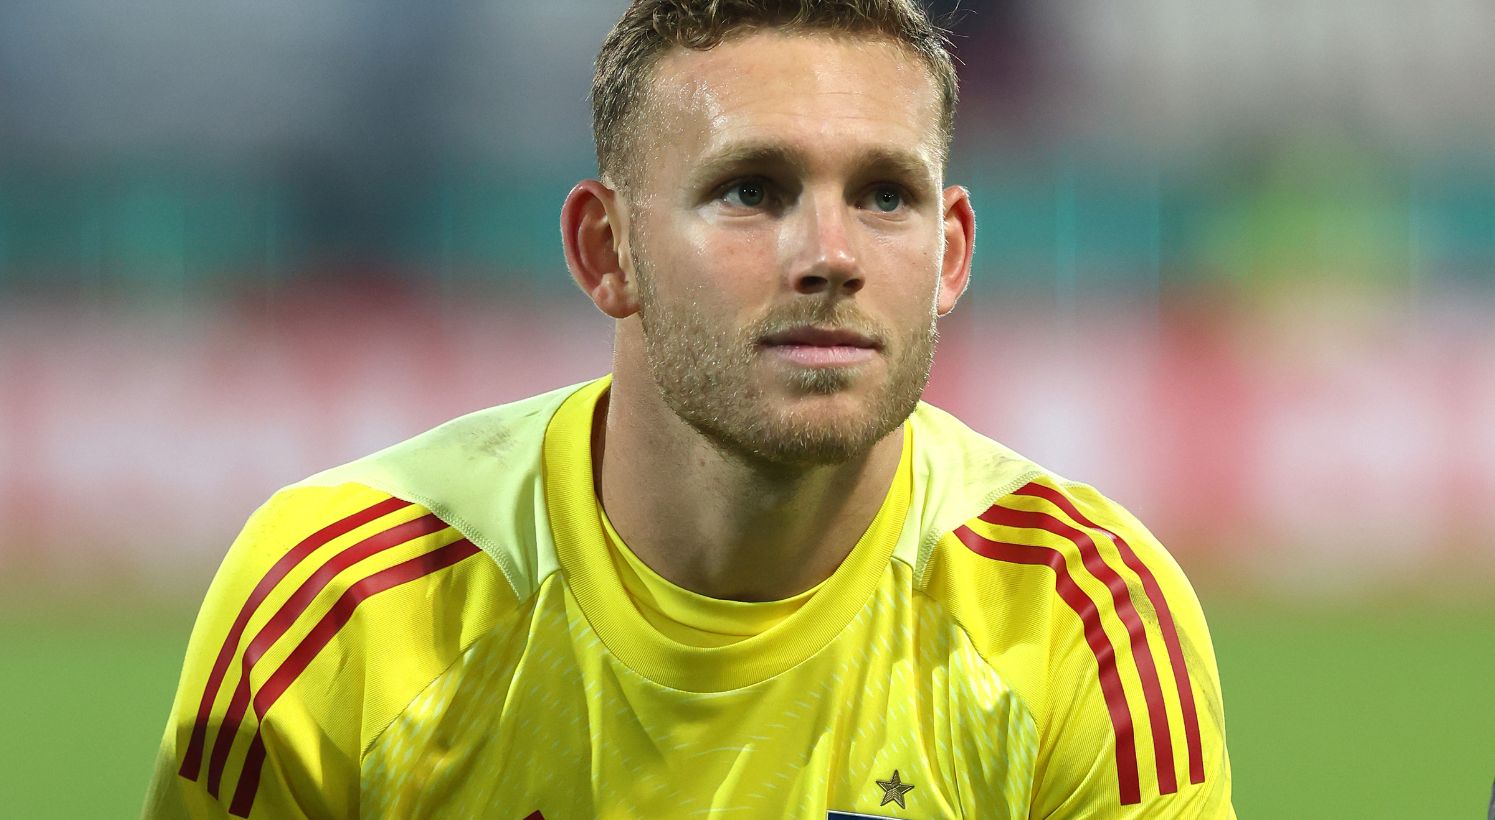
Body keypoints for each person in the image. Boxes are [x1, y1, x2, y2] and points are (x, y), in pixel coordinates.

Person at [146, 1, 1232, 817]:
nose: (831, 255)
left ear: (949, 256)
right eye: (750, 190)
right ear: (606, 250)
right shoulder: (342, 605)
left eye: (883, 195)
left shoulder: (1082, 620)